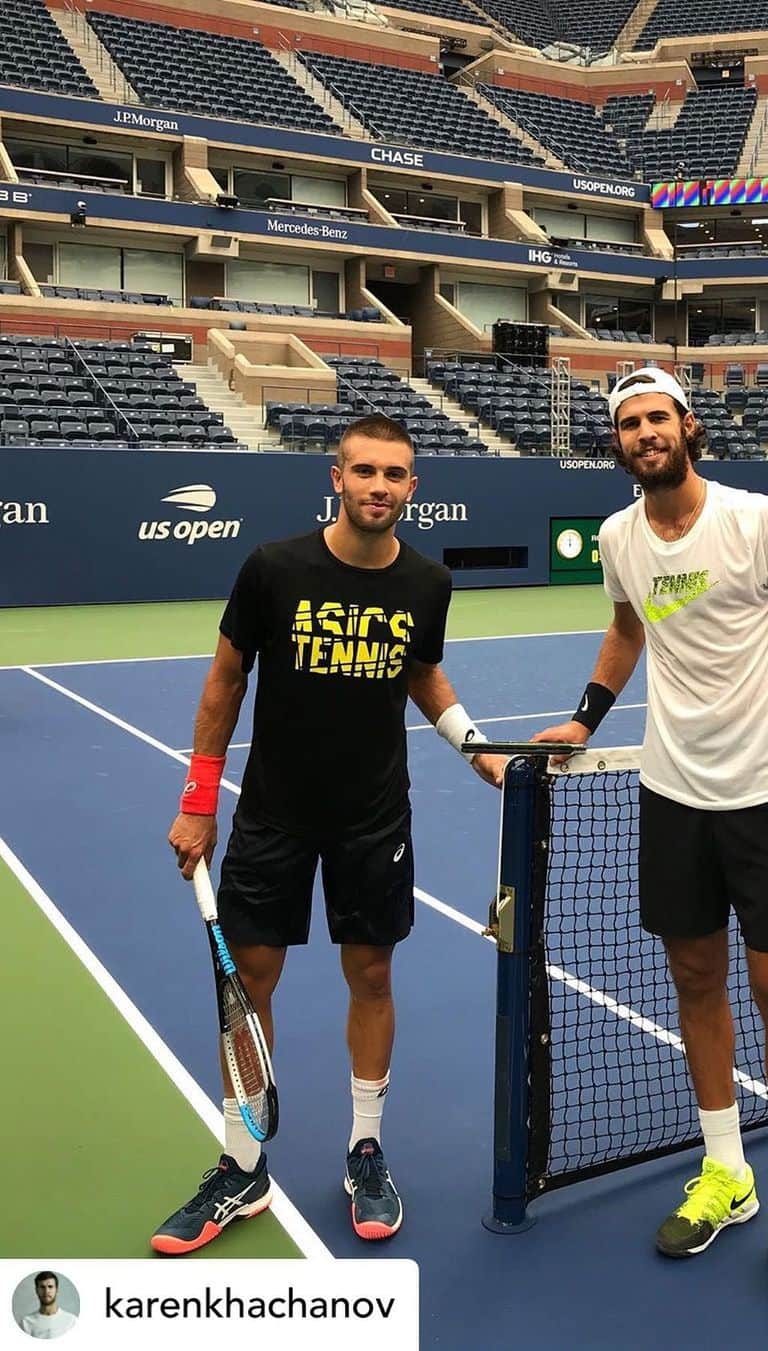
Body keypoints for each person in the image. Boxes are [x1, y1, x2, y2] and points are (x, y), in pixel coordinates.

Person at [532, 368, 768, 1328]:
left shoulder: (754, 518)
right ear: (619, 443)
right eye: (627, 424)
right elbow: (626, 630)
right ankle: (726, 1169)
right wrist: (585, 719)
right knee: (695, 981)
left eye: (656, 418)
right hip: (672, 796)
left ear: (688, 427)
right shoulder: (619, 538)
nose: (643, 433)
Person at [153, 414, 503, 1255]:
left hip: (373, 817)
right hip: (273, 812)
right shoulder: (274, 568)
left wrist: (476, 748)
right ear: (336, 478)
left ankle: (366, 1148)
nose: (380, 486)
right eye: (366, 471)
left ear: (412, 487)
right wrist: (200, 798)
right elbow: (225, 679)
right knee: (251, 982)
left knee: (372, 973)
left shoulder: (427, 581)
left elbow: (423, 675)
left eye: (396, 474)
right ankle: (241, 1165)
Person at [19, 1273, 77, 1339]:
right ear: (36, 1290)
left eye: (50, 1286)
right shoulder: (26, 1322)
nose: (46, 1291)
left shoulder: (71, 1321)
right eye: (42, 1287)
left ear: (56, 1290)